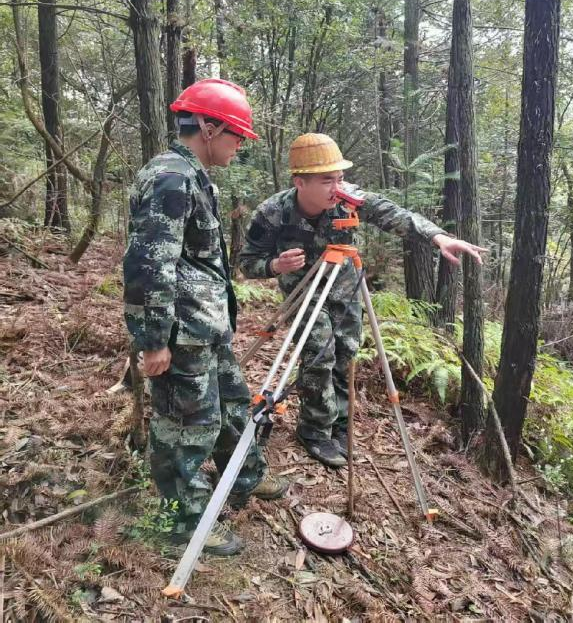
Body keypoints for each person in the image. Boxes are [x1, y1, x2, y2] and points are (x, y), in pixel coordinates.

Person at [240, 132, 485, 468]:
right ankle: (315, 431)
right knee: (319, 354)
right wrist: (275, 266)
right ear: (300, 182)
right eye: (327, 180)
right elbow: (247, 263)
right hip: (304, 291)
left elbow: (394, 215)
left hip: (344, 288)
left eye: (340, 178)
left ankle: (340, 425)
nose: (337, 187)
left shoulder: (348, 199)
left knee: (346, 353)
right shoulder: (272, 213)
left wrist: (438, 237)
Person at [123, 79, 287, 557]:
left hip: (205, 327)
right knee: (185, 427)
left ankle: (245, 475)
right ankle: (184, 521)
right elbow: (148, 264)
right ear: (210, 128)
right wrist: (154, 339)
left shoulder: (193, 176)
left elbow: (196, 262)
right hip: (181, 332)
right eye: (237, 136)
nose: (239, 146)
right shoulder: (170, 179)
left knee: (233, 406)